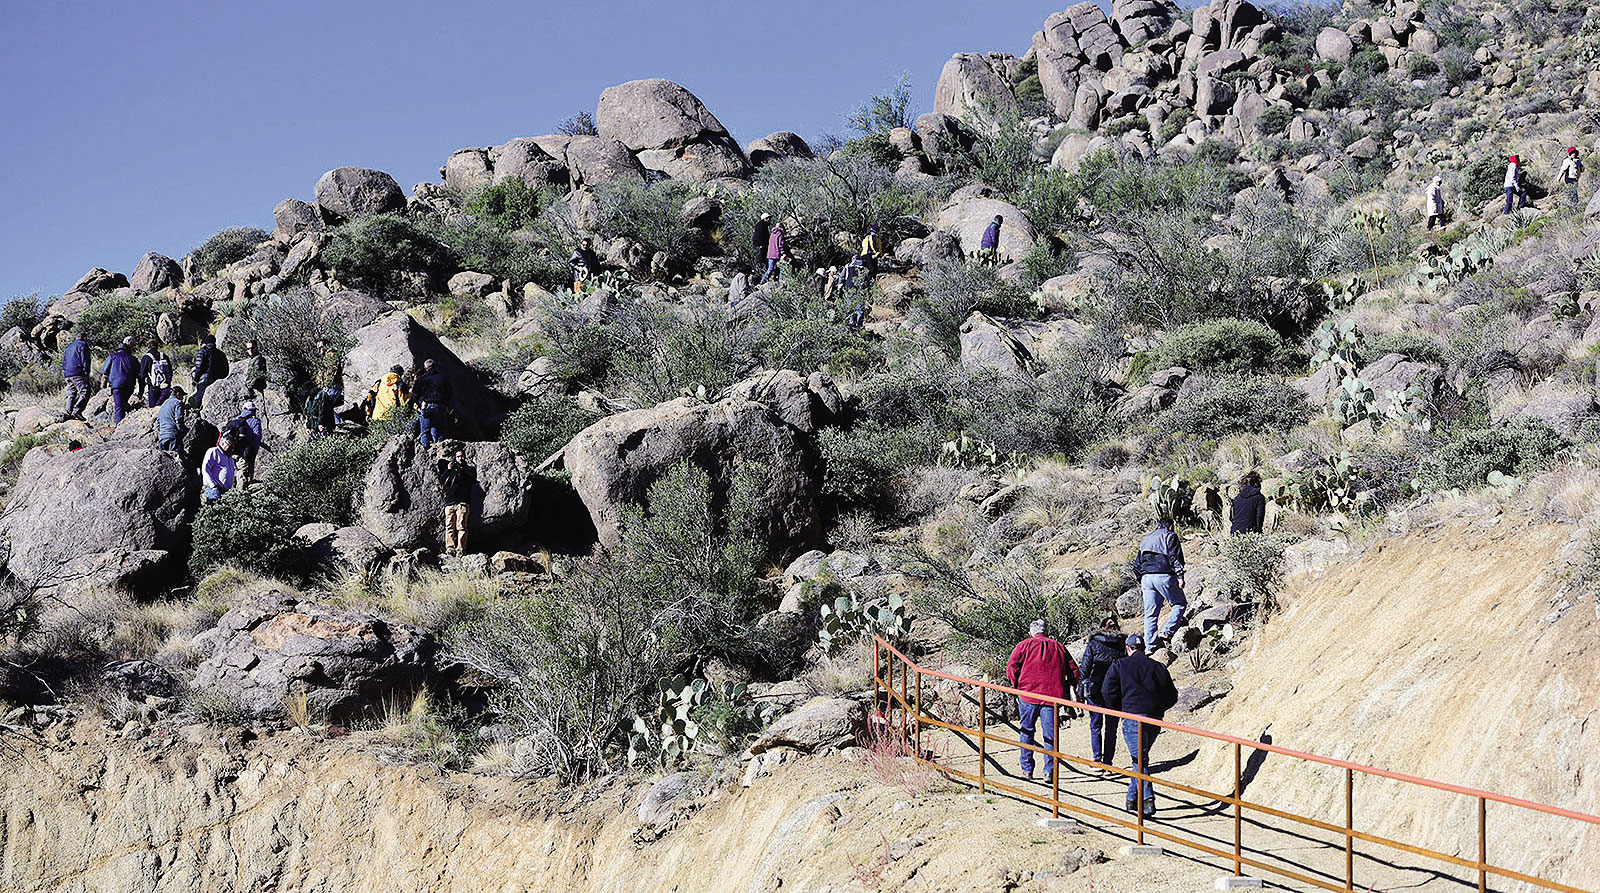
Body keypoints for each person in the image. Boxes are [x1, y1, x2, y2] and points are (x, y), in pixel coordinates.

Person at [1102, 633, 1178, 817]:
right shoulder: (1158, 667)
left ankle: (1148, 799)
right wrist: (1158, 709)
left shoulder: (1119, 665)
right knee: (1141, 758)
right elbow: (1172, 695)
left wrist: (1119, 708)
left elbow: (1107, 691)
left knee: (1140, 759)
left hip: (1132, 717)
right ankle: (1131, 798)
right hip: (1153, 719)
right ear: (1144, 648)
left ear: (1128, 649)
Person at [1005, 619, 1079, 782]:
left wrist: (1016, 685)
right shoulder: (1058, 646)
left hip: (1028, 695)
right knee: (1050, 735)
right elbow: (1074, 670)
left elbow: (1011, 667)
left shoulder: (1024, 645)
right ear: (1047, 632)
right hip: (1052, 697)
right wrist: (1072, 688)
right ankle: (1049, 771)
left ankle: (1027, 770)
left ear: (1030, 633)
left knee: (1026, 731)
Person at [1078, 614, 1128, 776]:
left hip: (1095, 690)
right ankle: (1108, 764)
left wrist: (1080, 690)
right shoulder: (1122, 644)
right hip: (1114, 690)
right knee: (1111, 728)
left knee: (1095, 725)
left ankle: (1097, 760)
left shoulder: (1093, 643)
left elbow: (1085, 669)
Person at [1136, 517, 1187, 650]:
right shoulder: (1169, 535)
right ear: (1171, 526)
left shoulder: (1146, 539)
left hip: (1146, 578)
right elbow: (1174, 557)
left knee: (1150, 615)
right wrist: (1180, 576)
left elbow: (1137, 564)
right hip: (1164, 576)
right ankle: (1167, 631)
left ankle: (1149, 647)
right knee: (1179, 603)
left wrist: (1141, 579)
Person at [438, 446, 475, 556]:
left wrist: (461, 471)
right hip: (450, 502)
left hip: (462, 502)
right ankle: (450, 548)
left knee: (461, 526)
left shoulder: (469, 470)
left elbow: (470, 480)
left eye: (462, 456)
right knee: (449, 526)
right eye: (458, 457)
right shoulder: (451, 470)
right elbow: (441, 480)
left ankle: (461, 549)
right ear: (455, 458)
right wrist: (449, 470)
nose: (460, 459)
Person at [412, 358, 454, 451]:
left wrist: (416, 403)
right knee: (441, 429)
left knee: (425, 430)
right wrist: (446, 404)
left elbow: (415, 394)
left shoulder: (422, 379)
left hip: (426, 406)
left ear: (425, 368)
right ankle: (440, 449)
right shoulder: (443, 378)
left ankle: (425, 451)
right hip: (440, 405)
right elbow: (450, 392)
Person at [101, 337, 140, 424]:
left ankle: (119, 425)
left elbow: (104, 371)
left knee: (118, 406)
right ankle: (125, 422)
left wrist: (104, 384)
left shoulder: (112, 356)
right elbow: (139, 373)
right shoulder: (133, 359)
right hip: (129, 386)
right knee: (124, 403)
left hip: (116, 386)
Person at [228, 401, 264, 484]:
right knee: (244, 477)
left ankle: (230, 494)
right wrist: (252, 453)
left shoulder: (235, 420)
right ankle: (241, 495)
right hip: (245, 453)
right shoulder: (255, 422)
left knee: (232, 475)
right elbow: (256, 439)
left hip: (231, 452)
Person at [61, 332, 91, 420]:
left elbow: (64, 362)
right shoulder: (83, 345)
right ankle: (77, 411)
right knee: (85, 391)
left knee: (71, 393)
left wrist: (66, 371)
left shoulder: (68, 347)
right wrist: (86, 373)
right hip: (78, 373)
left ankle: (68, 412)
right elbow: (85, 360)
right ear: (84, 338)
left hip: (68, 374)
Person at [201, 435, 238, 502]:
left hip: (225, 491)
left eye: (233, 447)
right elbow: (205, 468)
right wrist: (213, 486)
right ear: (223, 443)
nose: (232, 449)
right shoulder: (214, 451)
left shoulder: (230, 458)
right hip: (213, 489)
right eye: (230, 446)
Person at [192, 335, 227, 404]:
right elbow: (226, 370)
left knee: (199, 401)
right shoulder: (221, 354)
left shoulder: (203, 351)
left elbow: (199, 367)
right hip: (218, 381)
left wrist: (196, 379)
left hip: (204, 381)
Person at [1230, 471, 1267, 535]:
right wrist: (1259, 532)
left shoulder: (1237, 498)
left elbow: (1231, 517)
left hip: (1234, 533)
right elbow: (1259, 517)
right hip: (1250, 533)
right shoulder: (1259, 498)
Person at [139, 342, 173, 410]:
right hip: (165, 386)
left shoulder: (146, 358)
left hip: (153, 387)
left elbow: (142, 375)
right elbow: (170, 372)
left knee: (153, 408)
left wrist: (141, 392)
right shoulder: (164, 356)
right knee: (164, 407)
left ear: (148, 347)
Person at [156, 386, 187, 453]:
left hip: (162, 437)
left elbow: (158, 424)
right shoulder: (178, 403)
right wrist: (181, 429)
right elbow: (179, 418)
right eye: (182, 395)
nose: (182, 398)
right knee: (176, 459)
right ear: (178, 394)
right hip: (173, 436)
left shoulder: (163, 405)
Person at [759, 220, 787, 285]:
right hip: (777, 254)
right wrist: (783, 253)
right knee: (782, 269)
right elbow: (780, 245)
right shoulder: (780, 234)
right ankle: (780, 283)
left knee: (770, 269)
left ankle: (762, 282)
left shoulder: (772, 233)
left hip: (770, 254)